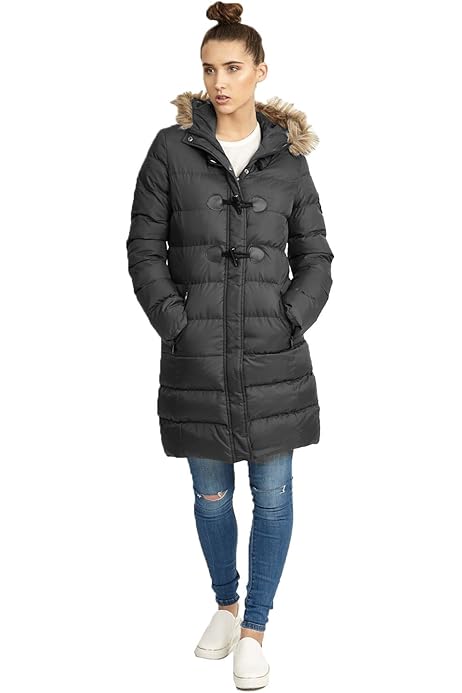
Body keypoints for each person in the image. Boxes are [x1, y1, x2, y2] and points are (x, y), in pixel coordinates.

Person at [126, 2, 334, 688]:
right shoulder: (171, 149)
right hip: (197, 356)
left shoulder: (287, 161)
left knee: (272, 497)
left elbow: (316, 254)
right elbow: (143, 248)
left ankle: (255, 630)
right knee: (211, 495)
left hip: (274, 358)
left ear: (260, 71)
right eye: (209, 69)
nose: (219, 82)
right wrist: (174, 321)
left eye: (233, 68)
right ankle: (225, 603)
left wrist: (292, 316)